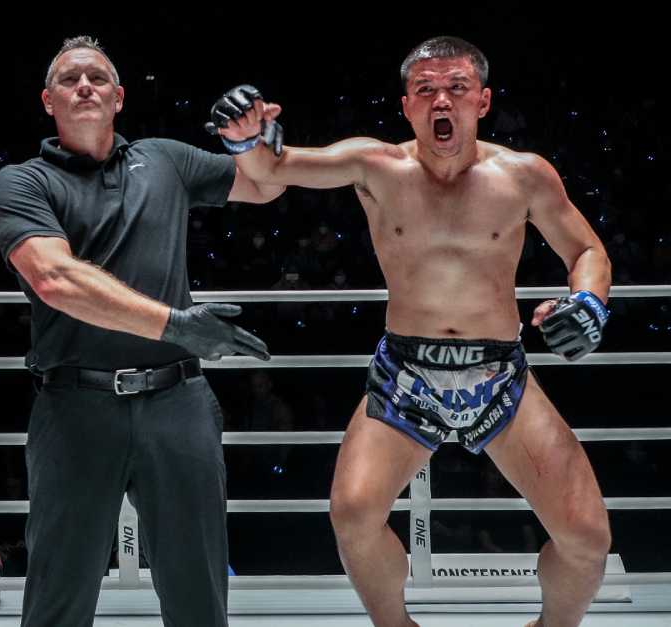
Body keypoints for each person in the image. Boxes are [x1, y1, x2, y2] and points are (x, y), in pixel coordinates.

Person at [209, 35, 611, 627]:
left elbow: (587, 250)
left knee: (586, 540)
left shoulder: (524, 175)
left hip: (500, 372)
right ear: (406, 106)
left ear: (483, 100)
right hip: (406, 374)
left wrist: (588, 301)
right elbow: (275, 167)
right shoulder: (375, 165)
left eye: (456, 88)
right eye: (426, 90)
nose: (441, 101)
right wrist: (245, 134)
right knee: (352, 514)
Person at [0, 35, 280, 627]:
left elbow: (263, 183)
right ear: (49, 100)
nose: (85, 86)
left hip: (179, 400)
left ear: (119, 97)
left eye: (97, 78)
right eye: (70, 80)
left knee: (198, 590)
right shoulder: (21, 183)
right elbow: (55, 280)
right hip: (74, 404)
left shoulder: (165, 158)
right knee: (57, 595)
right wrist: (178, 325)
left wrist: (253, 135)